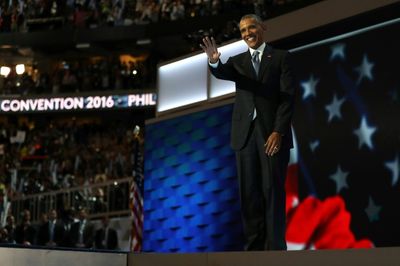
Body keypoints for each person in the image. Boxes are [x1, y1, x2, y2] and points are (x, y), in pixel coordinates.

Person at [200, 14, 296, 250]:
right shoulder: (238, 60)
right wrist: (214, 61)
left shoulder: (281, 58)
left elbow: (288, 98)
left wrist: (278, 131)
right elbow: (222, 72)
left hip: (271, 135)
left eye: (251, 27)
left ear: (262, 27)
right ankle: (253, 249)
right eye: (242, 30)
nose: (247, 33)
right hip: (244, 136)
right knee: (249, 193)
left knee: (272, 191)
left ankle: (275, 249)